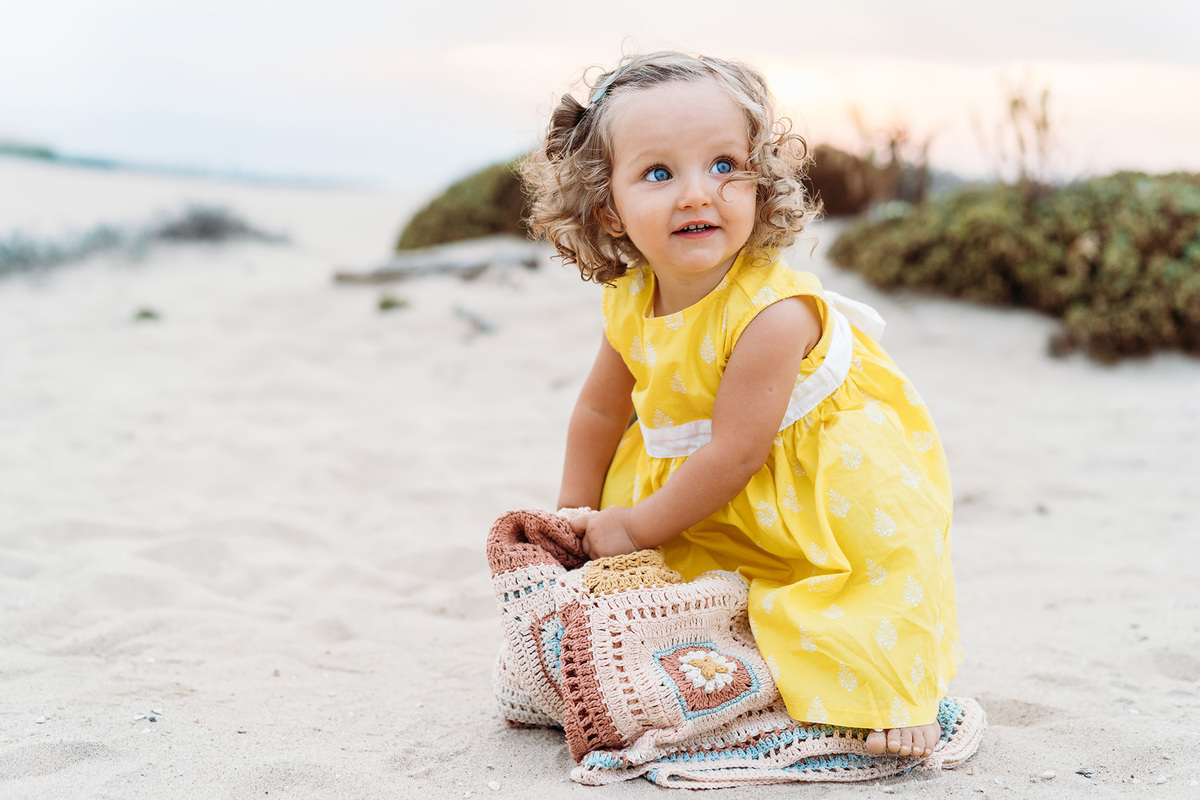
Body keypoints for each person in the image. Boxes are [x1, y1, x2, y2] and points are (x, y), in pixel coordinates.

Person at [521, 51, 960, 760]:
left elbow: (737, 452)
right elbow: (602, 413)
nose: (699, 193)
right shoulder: (629, 300)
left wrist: (629, 526)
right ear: (609, 207)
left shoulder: (773, 313)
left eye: (725, 164)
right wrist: (578, 517)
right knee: (669, 612)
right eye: (659, 174)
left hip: (820, 485)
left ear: (760, 178)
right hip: (708, 485)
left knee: (856, 590)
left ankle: (893, 693)